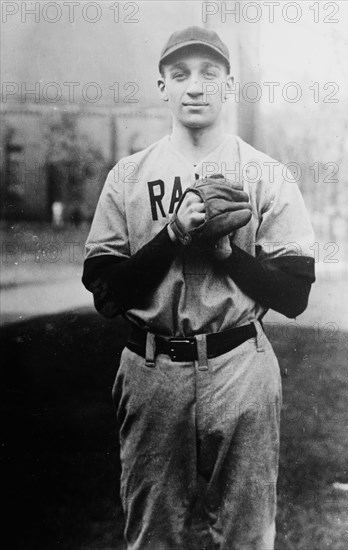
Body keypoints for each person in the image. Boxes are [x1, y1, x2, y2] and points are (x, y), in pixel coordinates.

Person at [82, 26, 315, 550]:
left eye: (210, 73)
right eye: (180, 74)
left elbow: (296, 294)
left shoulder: (267, 175)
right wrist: (172, 235)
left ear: (228, 86)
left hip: (240, 366)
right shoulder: (128, 176)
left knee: (247, 536)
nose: (195, 87)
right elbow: (107, 291)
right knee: (152, 534)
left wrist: (227, 255)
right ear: (162, 86)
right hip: (151, 368)